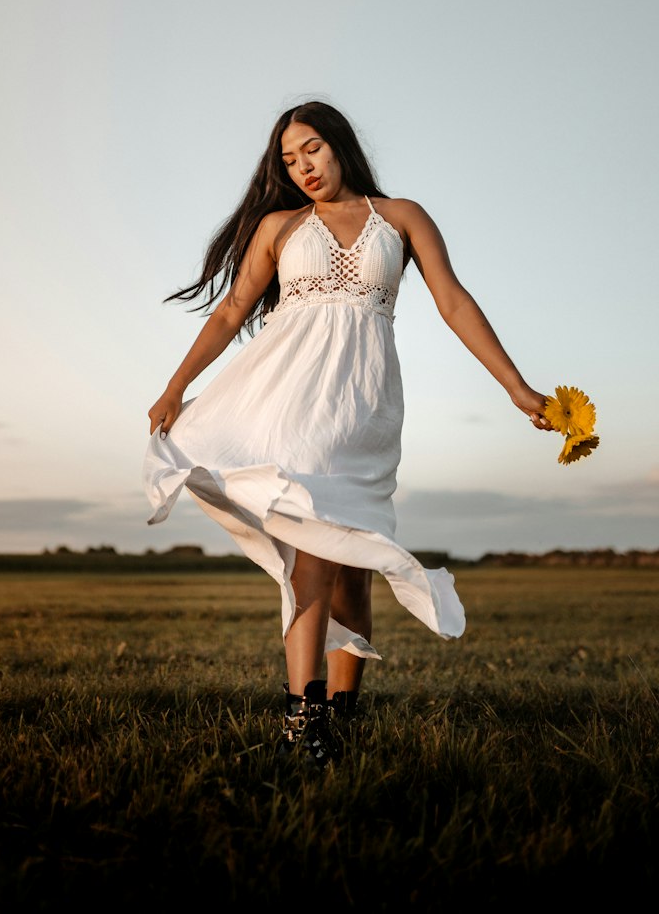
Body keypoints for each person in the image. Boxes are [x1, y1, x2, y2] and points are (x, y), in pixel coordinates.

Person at [142, 99, 552, 766]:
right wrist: (174, 385)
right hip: (291, 403)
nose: (301, 166)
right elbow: (231, 313)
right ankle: (303, 719)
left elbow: (453, 300)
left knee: (356, 557)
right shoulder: (279, 226)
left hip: (364, 409)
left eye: (312, 149)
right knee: (315, 547)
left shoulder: (402, 218)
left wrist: (516, 387)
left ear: (340, 144)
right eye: (288, 158)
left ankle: (342, 714)